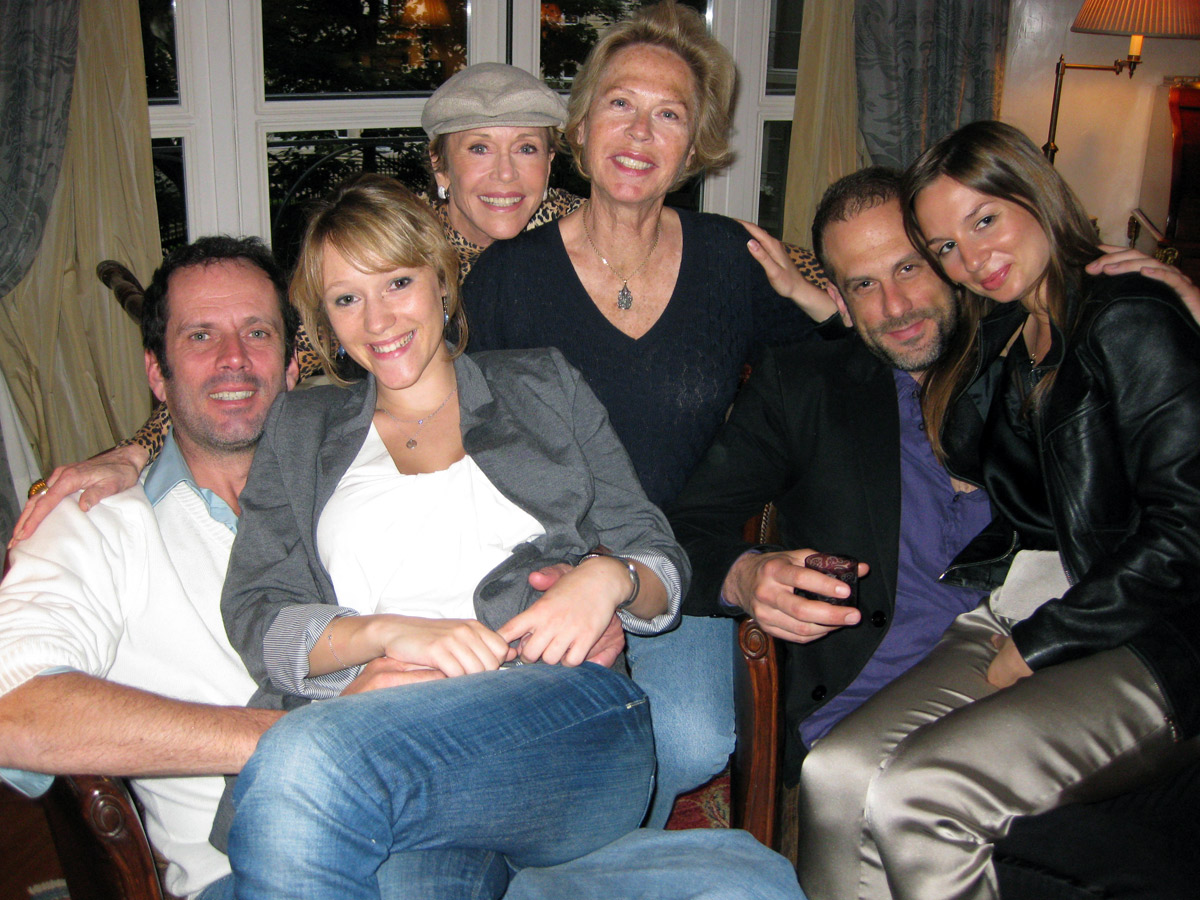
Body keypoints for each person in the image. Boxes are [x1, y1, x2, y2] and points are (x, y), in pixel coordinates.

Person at [0, 233, 806, 900]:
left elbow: (642, 547)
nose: (235, 360)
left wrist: (605, 582)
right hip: (315, 858)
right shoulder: (94, 521)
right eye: (199, 336)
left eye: (259, 333)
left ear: (295, 362)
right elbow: (11, 712)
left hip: (523, 763)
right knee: (745, 881)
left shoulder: (354, 455)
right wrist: (313, 731)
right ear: (156, 370)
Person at [215, 173, 803, 899]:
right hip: (379, 727)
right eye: (346, 298)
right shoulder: (301, 427)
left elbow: (660, 560)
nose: (377, 319)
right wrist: (385, 636)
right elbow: (258, 613)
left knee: (304, 761)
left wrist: (608, 579)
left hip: (559, 716)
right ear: (324, 319)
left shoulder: (540, 385)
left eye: (397, 282)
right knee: (406, 879)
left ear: (440, 281)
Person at [668, 165, 1200, 900]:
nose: (895, 306)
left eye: (911, 267)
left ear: (951, 262)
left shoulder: (1039, 350)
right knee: (855, 787)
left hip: (1051, 668)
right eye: (863, 285)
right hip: (869, 703)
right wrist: (744, 573)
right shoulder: (806, 387)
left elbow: (1171, 474)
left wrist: (1188, 316)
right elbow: (683, 528)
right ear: (839, 300)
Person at [463, 0, 838, 828]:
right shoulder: (508, 277)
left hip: (683, 560)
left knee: (690, 740)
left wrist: (818, 302)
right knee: (546, 734)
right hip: (548, 564)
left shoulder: (730, 261)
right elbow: (472, 440)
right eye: (621, 104)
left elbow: (836, 372)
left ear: (694, 145)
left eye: (668, 114)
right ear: (582, 125)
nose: (639, 133)